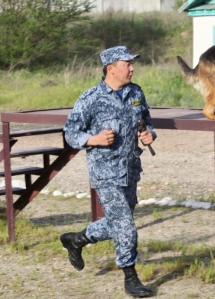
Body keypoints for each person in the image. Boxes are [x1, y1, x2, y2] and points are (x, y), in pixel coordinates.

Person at [60, 46, 156, 298]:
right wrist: (94, 139)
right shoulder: (90, 98)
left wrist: (149, 134)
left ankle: (76, 240)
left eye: (132, 63)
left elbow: (146, 119)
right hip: (105, 172)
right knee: (125, 225)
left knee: (117, 223)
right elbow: (70, 133)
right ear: (111, 68)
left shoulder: (136, 92)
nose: (132, 68)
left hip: (131, 169)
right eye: (127, 64)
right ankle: (130, 277)